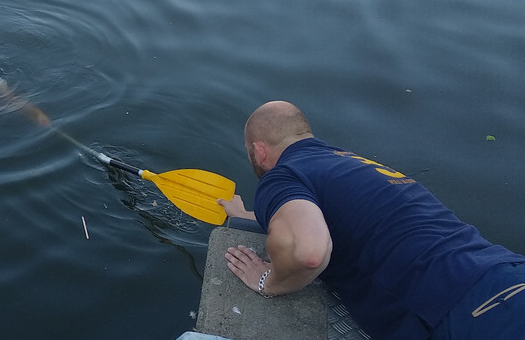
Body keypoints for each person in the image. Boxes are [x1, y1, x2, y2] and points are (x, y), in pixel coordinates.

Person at [217, 101, 525, 340]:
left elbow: (307, 253)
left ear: (259, 152)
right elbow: (351, 216)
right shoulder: (350, 162)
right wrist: (249, 217)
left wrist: (267, 282)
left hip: (469, 308)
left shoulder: (283, 174)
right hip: (505, 271)